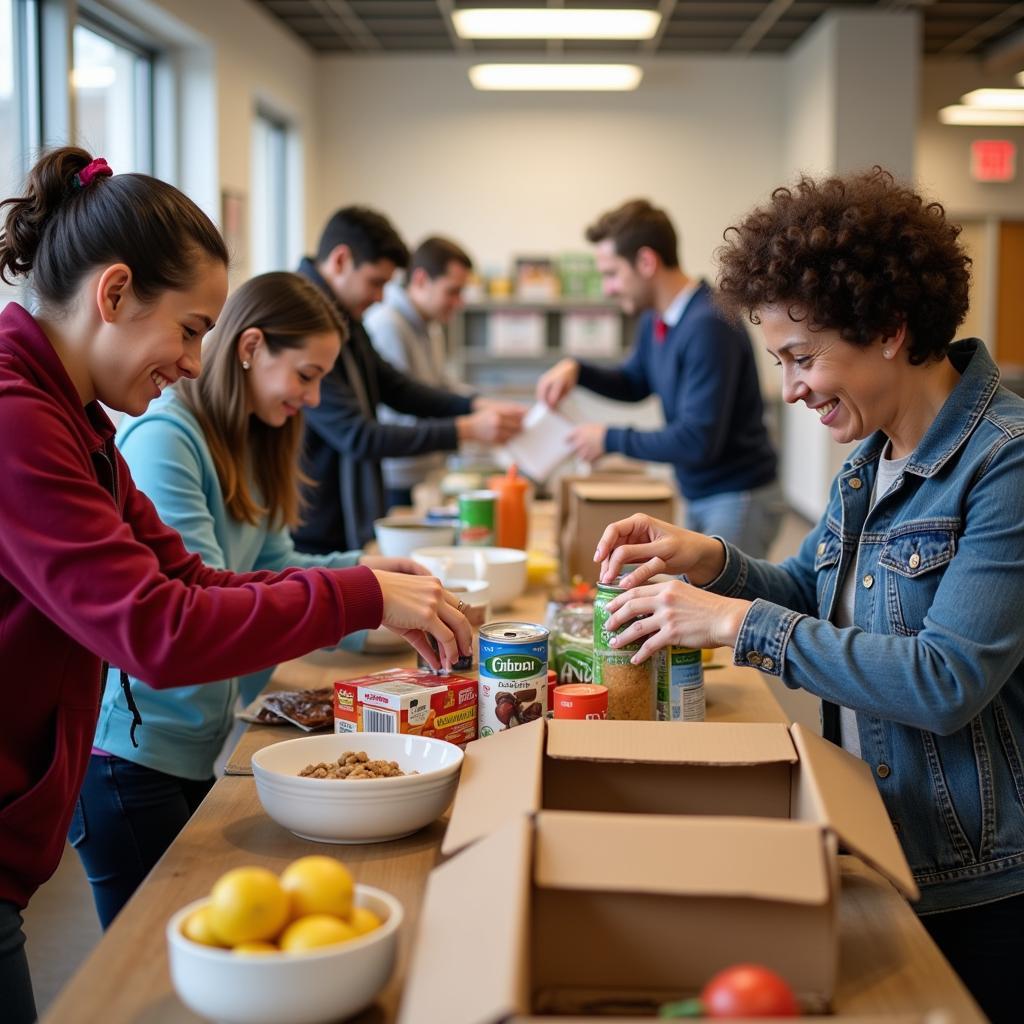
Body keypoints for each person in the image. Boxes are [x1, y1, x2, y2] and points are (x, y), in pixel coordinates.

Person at [0, 148, 470, 1023]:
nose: (191, 359)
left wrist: (362, 580)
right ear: (113, 295)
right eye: (188, 328)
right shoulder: (20, 422)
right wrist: (361, 596)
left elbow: (194, 577)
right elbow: (160, 632)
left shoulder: (77, 425)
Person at [594, 169, 1024, 1024]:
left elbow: (944, 681)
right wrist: (713, 560)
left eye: (802, 357)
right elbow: (813, 592)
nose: (790, 389)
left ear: (891, 330)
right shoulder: (872, 457)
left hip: (983, 881)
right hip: (884, 832)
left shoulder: (1005, 463)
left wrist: (736, 622)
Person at [71, 271, 433, 928]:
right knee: (152, 952)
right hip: (130, 757)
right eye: (305, 375)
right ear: (251, 348)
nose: (315, 397)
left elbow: (272, 566)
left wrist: (367, 571)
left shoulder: (248, 435)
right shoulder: (165, 440)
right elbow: (203, 600)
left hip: (193, 739)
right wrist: (362, 595)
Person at [535, 198, 782, 559]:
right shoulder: (658, 318)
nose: (608, 288)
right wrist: (578, 370)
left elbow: (697, 440)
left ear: (646, 262)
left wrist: (609, 438)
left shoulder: (709, 325)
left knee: (719, 607)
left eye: (611, 273)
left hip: (736, 497)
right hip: (700, 492)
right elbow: (636, 382)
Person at [294, 206, 524, 552]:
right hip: (313, 520)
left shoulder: (342, 314)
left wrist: (474, 405)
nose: (380, 297)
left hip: (340, 512)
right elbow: (357, 435)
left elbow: (396, 387)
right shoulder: (306, 319)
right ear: (341, 260)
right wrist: (467, 429)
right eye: (375, 282)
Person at [365, 235, 474, 509]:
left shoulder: (432, 327)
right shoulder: (387, 325)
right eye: (452, 291)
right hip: (396, 480)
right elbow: (399, 414)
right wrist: (469, 427)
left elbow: (441, 388)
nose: (459, 303)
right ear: (421, 280)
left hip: (425, 473)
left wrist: (482, 405)